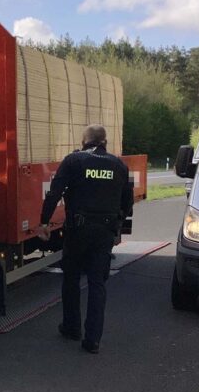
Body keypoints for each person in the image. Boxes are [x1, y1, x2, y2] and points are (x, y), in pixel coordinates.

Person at [37, 124, 133, 354]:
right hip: (105, 232)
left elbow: (54, 193)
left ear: (84, 141)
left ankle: (72, 327)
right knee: (97, 283)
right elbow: (127, 203)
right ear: (104, 141)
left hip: (78, 231)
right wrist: (117, 226)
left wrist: (43, 222)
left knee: (70, 278)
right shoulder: (119, 165)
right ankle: (93, 340)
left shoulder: (74, 161)